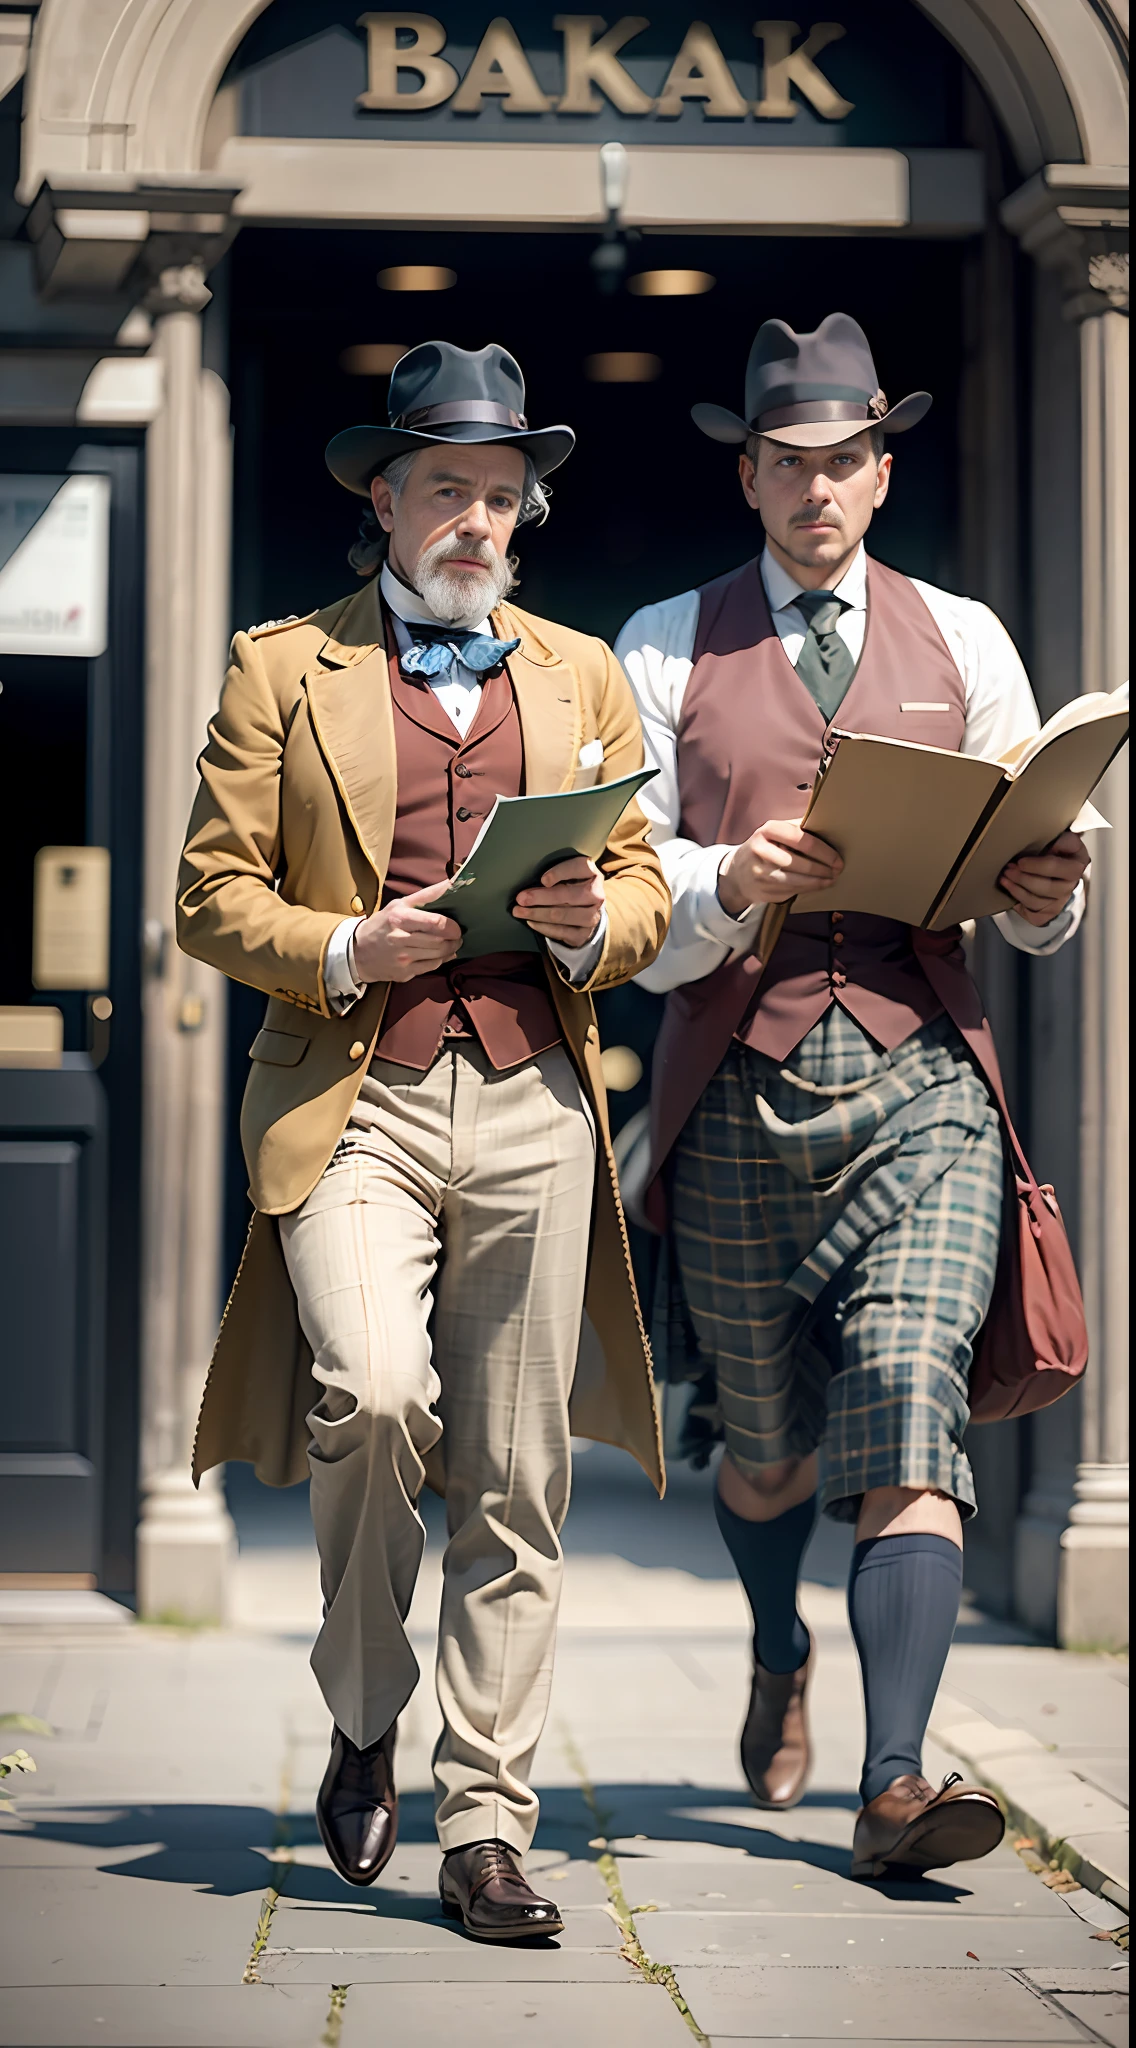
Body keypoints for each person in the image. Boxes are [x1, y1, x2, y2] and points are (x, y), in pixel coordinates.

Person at [178, 342, 668, 1938]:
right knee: (374, 1394)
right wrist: (342, 947)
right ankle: (366, 1707)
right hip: (355, 1092)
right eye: (446, 487)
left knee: (517, 1471)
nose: (477, 517)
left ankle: (489, 1829)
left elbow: (652, 885)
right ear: (382, 498)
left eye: (502, 495)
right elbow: (210, 894)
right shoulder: (282, 668)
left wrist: (602, 919)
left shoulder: (581, 673)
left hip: (534, 1092)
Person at [615, 313, 1090, 1881]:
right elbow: (625, 890)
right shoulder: (666, 642)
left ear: (882, 474)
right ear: (750, 474)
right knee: (763, 1450)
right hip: (736, 1082)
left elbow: (1033, 879)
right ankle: (774, 1646)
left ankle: (894, 1787)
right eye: (790, 463)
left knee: (908, 1410)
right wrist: (721, 878)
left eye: (848, 461)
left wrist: (1045, 878)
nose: (820, 488)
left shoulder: (966, 638)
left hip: (926, 1079)